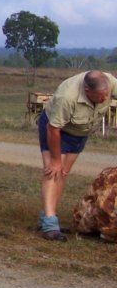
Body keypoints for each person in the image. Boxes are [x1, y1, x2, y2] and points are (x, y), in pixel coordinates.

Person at [37, 70, 117, 241]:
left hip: (80, 132)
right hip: (56, 129)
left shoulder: (108, 82)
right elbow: (53, 129)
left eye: (106, 95)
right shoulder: (67, 97)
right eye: (100, 96)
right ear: (87, 91)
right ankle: (50, 226)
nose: (104, 99)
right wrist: (56, 160)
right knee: (53, 171)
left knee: (63, 173)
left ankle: (47, 216)